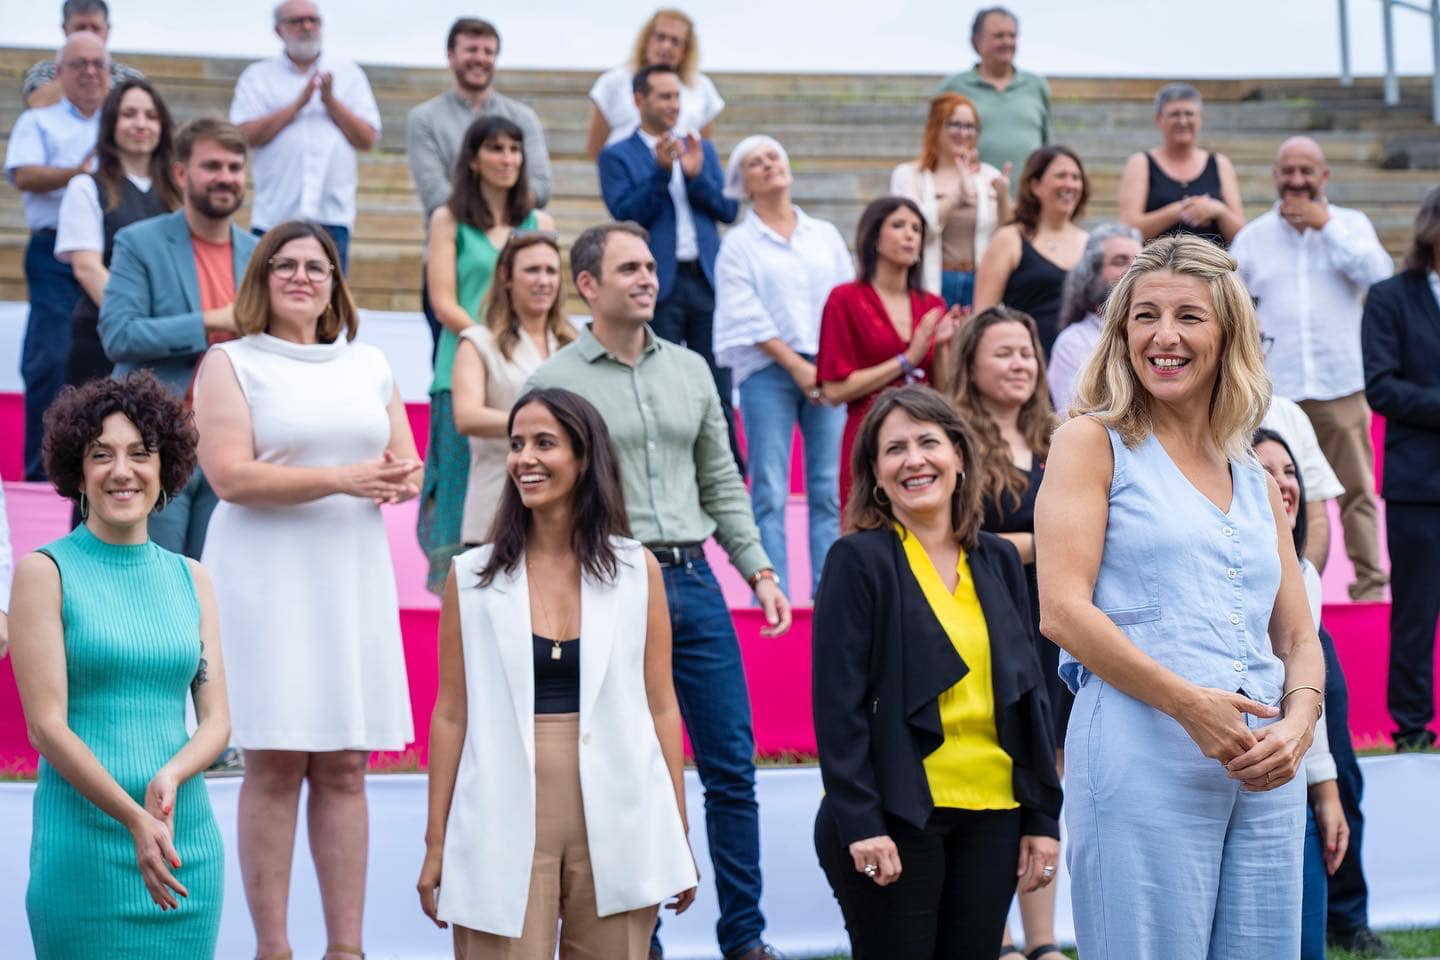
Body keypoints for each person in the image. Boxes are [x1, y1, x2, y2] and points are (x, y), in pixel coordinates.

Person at [1035, 235, 1326, 957]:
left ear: (1227, 333)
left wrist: (1298, 725)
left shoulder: (1256, 475)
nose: (1163, 336)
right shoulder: (1089, 442)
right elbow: (1062, 610)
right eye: (1144, 316)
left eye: (1189, 317)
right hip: (1140, 753)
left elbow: (1296, 636)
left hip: (1265, 766)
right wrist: (1189, 705)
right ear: (1120, 332)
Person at [526, 223, 791, 960]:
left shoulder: (693, 371)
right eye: (629, 268)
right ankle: (643, 942)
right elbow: (537, 498)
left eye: (651, 266)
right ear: (588, 285)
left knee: (731, 768)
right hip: (603, 589)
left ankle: (746, 939)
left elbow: (722, 481)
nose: (648, 278)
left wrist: (759, 569)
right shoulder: (554, 384)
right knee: (623, 770)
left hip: (695, 581)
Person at [193, 221, 421, 960]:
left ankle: (346, 950)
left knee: (346, 763)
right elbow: (230, 476)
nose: (301, 276)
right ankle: (274, 948)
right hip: (265, 576)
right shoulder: (231, 363)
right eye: (284, 265)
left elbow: (407, 462)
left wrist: (396, 480)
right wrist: (344, 478)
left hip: (347, 573)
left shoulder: (370, 362)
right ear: (262, 278)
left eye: (315, 266)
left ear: (335, 282)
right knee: (275, 759)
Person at [417, 387, 698, 958]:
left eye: (545, 443)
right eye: (516, 444)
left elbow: (661, 704)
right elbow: (451, 712)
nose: (524, 459)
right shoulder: (470, 576)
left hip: (621, 811)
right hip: (497, 810)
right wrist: (436, 840)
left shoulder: (636, 568)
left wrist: (677, 830)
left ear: (584, 457)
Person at [811, 384, 1061, 959]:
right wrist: (861, 822)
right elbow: (837, 706)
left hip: (995, 816)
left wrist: (1043, 818)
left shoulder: (997, 558)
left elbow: (1031, 699)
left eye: (929, 442)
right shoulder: (857, 560)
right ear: (875, 474)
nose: (914, 459)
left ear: (959, 458)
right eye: (894, 449)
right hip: (897, 816)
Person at [9, 371, 229, 956]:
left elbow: (216, 723)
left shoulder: (192, 577)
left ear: (165, 469)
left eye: (140, 453)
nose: (122, 470)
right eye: (101, 454)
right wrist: (134, 818)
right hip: (85, 859)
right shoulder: (44, 572)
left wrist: (172, 775)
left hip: (187, 855)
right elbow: (46, 726)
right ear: (77, 472)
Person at [943, 306, 1067, 960]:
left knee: (1046, 776)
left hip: (1059, 626)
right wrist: (1043, 543)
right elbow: (957, 541)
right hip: (988, 623)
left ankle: (1043, 942)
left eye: (1027, 352)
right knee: (1003, 776)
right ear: (971, 363)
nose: (1020, 364)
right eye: (1004, 353)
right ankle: (998, 939)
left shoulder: (1061, 437)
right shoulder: (953, 441)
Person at [1232, 135, 1394, 602]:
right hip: (1271, 390)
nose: (1297, 181)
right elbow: (1235, 308)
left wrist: (1327, 228)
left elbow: (1382, 279)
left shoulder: (1351, 225)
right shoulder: (1253, 237)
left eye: (1307, 172)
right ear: (1275, 177)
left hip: (1340, 383)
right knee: (1262, 488)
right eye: (1288, 172)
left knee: (1358, 490)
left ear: (1324, 177)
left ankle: (1369, 583)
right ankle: (1269, 585)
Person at [98, 116, 257, 559]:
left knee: (215, 590)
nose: (225, 178)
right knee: (151, 583)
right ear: (181, 173)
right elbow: (118, 334)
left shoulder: (260, 253)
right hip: (155, 441)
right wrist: (211, 320)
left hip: (234, 450)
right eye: (212, 166)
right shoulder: (139, 243)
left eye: (234, 167)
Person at [419, 115, 554, 594]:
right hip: (464, 363)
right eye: (496, 149)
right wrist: (489, 339)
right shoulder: (448, 218)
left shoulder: (539, 221)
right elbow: (443, 299)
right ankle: (457, 590)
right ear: (473, 160)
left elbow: (548, 294)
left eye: (515, 149)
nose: (508, 159)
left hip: (527, 368)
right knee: (460, 487)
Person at [713, 135, 852, 593]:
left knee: (827, 491)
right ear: (744, 184)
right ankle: (776, 594)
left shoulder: (824, 235)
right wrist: (796, 365)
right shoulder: (737, 244)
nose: (768, 165)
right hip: (766, 373)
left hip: (826, 370)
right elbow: (744, 311)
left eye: (773, 155)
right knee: (769, 490)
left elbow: (841, 301)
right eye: (755, 162)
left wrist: (827, 365)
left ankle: (827, 593)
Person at [599, 64, 742, 468]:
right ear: (638, 100)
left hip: (706, 280)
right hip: (655, 284)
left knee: (717, 383)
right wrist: (661, 173)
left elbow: (728, 209)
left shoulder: (702, 148)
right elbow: (626, 215)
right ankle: (666, 469)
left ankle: (726, 471)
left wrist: (696, 177)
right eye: (664, 96)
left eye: (677, 96)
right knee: (659, 381)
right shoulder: (617, 155)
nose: (673, 105)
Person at [1252, 428, 1349, 960]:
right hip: (1237, 764)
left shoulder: (1304, 572)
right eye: (1267, 471)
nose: (1283, 483)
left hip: (1291, 773)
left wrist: (1327, 792)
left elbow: (1309, 694)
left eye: (1290, 472)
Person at [405, 17, 553, 354]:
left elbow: (542, 187)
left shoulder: (522, 117)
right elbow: (435, 195)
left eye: (489, 51)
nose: (480, 58)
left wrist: (501, 213)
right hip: (455, 260)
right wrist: (495, 212)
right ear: (451, 55)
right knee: (455, 357)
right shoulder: (425, 119)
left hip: (518, 262)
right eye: (471, 49)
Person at [5, 30, 109, 480]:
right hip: (54, 252)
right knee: (50, 360)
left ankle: (102, 470)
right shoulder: (39, 120)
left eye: (98, 64)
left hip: (111, 250)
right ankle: (42, 475)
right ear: (61, 73)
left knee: (109, 363)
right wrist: (80, 175)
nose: (89, 72)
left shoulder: (122, 121)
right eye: (79, 64)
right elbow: (24, 175)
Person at [817, 196, 963, 510]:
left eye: (916, 229)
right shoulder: (844, 299)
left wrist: (940, 349)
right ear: (874, 239)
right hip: (867, 437)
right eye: (898, 226)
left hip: (924, 439)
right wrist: (906, 360)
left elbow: (945, 394)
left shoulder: (933, 304)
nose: (911, 235)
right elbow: (834, 389)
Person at [1361, 184, 1440, 754]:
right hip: (1420, 484)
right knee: (1416, 611)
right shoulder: (1391, 297)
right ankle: (1412, 728)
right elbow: (1381, 386)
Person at [229, 0, 379, 273]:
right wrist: (298, 104)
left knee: (329, 306)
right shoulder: (257, 77)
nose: (307, 27)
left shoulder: (349, 74)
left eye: (313, 20)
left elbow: (367, 138)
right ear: (278, 30)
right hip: (275, 215)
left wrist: (331, 102)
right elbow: (246, 135)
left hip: (331, 216)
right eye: (296, 21)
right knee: (266, 302)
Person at [452, 232, 577, 548]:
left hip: (568, 518)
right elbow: (467, 416)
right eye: (532, 270)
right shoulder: (477, 341)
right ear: (507, 277)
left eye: (551, 271)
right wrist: (544, 427)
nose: (544, 281)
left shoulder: (575, 343)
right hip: (496, 509)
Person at [55, 78, 180, 389]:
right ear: (111, 123)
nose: (141, 124)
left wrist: (168, 329)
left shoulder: (181, 195)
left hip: (169, 349)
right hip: (102, 343)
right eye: (129, 114)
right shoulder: (85, 188)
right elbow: (87, 268)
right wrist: (135, 323)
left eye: (151, 116)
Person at [890, 92, 1012, 306]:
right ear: (936, 127)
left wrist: (1002, 198)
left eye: (970, 126)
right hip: (934, 280)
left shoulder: (988, 175)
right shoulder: (909, 175)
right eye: (954, 125)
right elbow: (913, 230)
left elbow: (1008, 233)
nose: (963, 133)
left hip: (979, 280)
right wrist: (956, 196)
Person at [974, 145, 1090, 355]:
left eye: (1076, 177)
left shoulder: (1091, 244)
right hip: (1026, 362)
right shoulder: (1009, 239)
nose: (1070, 184)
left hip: (1080, 366)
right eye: (1061, 176)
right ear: (1035, 185)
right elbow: (983, 316)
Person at [586, 7, 723, 160]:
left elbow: (702, 149)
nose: (666, 46)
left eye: (675, 41)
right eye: (660, 37)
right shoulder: (613, 82)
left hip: (683, 179)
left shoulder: (701, 87)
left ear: (686, 50)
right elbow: (596, 148)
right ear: (646, 41)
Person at [1117, 84, 1244, 247]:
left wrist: (1218, 210)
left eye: (1189, 114)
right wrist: (1180, 211)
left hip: (1211, 267)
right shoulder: (1140, 163)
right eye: (1174, 114)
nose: (1183, 121)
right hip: (1157, 268)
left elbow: (1242, 235)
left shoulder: (1220, 164)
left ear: (1200, 119)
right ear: (1158, 120)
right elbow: (1128, 230)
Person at [937, 7, 1050, 185]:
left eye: (1012, 36)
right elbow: (935, 144)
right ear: (976, 42)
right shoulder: (953, 87)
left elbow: (1046, 147)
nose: (1007, 42)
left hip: (1026, 204)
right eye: (998, 36)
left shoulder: (1036, 86)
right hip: (971, 199)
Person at [1049, 223, 1142, 413]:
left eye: (1140, 263)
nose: (1133, 271)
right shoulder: (1074, 342)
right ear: (1092, 275)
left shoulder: (1159, 333)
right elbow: (1073, 416)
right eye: (1120, 261)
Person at [21, 0, 143, 109]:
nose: (88, 35)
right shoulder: (44, 71)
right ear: (65, 29)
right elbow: (36, 103)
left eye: (95, 28)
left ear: (107, 30)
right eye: (80, 28)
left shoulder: (130, 77)